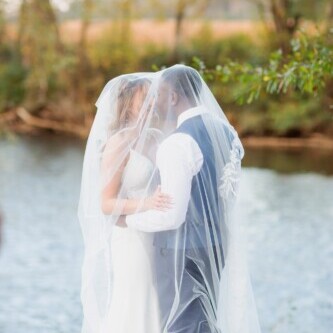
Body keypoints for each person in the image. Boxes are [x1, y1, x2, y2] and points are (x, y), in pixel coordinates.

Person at [122, 65, 262, 333]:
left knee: (182, 326)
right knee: (203, 323)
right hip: (216, 245)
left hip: (179, 254)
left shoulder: (176, 144)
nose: (156, 103)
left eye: (160, 95)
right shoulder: (229, 134)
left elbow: (171, 215)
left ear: (173, 97)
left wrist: (128, 220)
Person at [78, 74, 172, 333]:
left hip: (157, 235)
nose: (152, 102)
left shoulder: (155, 138)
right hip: (130, 238)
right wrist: (149, 202)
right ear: (130, 102)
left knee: (156, 300)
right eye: (145, 98)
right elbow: (106, 203)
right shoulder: (118, 144)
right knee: (135, 300)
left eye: (154, 97)